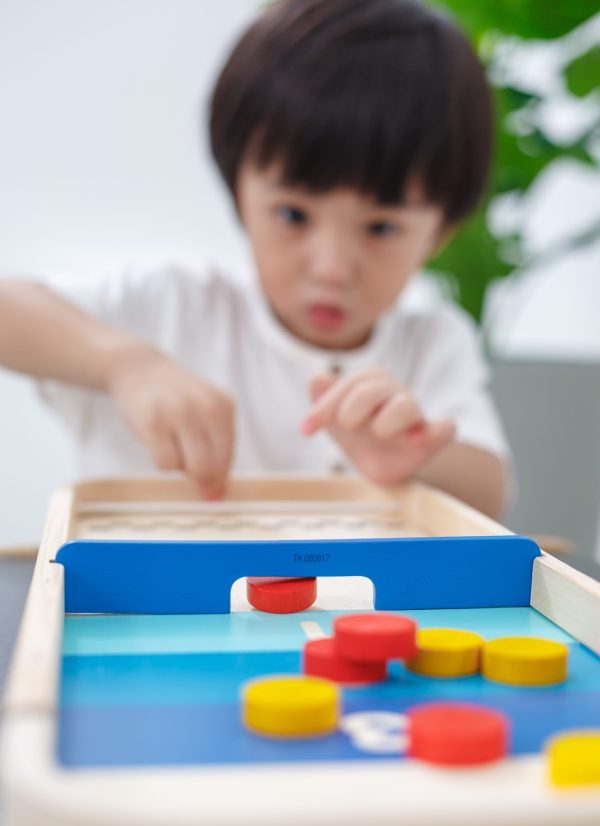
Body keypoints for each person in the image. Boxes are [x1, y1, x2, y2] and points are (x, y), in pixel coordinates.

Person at [0, 0, 510, 517]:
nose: (331, 268)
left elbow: (490, 494)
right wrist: (124, 363)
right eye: (292, 214)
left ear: (440, 232)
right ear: (239, 195)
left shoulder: (430, 345)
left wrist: (413, 460)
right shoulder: (173, 306)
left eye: (380, 227)